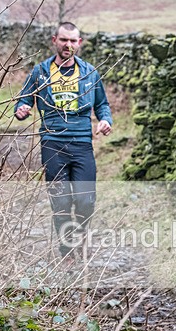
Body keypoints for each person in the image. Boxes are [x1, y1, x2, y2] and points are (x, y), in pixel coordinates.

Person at [14, 21, 112, 262]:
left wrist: (105, 120)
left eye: (73, 40)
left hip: (82, 143)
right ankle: (66, 250)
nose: (68, 45)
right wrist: (22, 109)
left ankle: (80, 236)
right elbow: (23, 100)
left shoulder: (89, 72)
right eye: (64, 40)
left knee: (85, 200)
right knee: (61, 200)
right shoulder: (40, 72)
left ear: (79, 43)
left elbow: (101, 104)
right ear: (54, 41)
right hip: (52, 143)